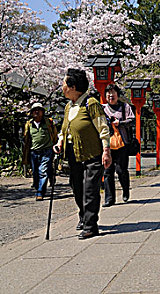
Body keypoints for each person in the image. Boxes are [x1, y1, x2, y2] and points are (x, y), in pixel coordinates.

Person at [53, 68, 111, 240]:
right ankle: (83, 216)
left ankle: (90, 225)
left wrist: (106, 151)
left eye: (64, 83)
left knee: (90, 190)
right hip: (73, 155)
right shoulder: (68, 106)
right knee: (77, 188)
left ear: (72, 86)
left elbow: (103, 129)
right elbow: (65, 129)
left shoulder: (91, 103)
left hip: (92, 154)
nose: (62, 86)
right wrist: (59, 142)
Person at [102, 84, 135, 207]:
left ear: (117, 95)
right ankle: (109, 199)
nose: (111, 96)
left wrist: (119, 123)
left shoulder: (124, 107)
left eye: (113, 93)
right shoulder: (102, 108)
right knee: (108, 172)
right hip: (107, 145)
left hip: (122, 144)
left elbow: (132, 120)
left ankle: (125, 189)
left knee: (121, 170)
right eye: (108, 94)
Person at [22, 102, 58, 201]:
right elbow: (26, 138)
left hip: (47, 151)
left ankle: (40, 192)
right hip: (34, 151)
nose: (36, 112)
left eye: (39, 110)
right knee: (35, 173)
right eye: (34, 110)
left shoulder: (48, 122)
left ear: (42, 112)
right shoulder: (29, 124)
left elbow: (55, 135)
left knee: (43, 171)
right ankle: (39, 186)